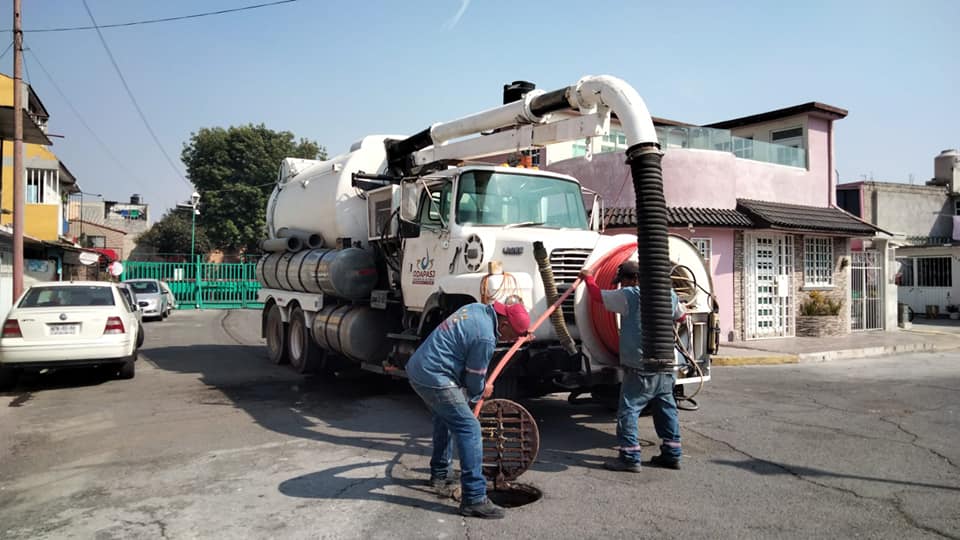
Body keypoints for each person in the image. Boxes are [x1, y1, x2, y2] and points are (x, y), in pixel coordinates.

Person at [405, 297, 531, 519]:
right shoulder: (485, 337)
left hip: (421, 367)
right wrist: (483, 390)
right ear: (503, 325)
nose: (511, 340)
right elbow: (474, 381)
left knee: (444, 418)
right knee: (469, 428)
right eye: (512, 335)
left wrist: (523, 335)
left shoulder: (476, 309)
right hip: (434, 376)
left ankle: (440, 473)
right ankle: (474, 498)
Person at [579, 260, 685, 473]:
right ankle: (672, 454)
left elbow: (598, 296)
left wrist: (588, 277)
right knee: (666, 409)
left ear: (633, 279)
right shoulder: (668, 294)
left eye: (624, 281)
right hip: (665, 366)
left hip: (639, 367)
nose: (623, 285)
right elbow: (682, 317)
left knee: (629, 410)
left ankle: (629, 457)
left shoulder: (630, 295)